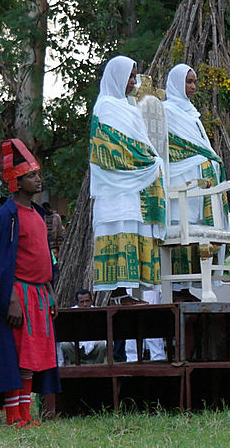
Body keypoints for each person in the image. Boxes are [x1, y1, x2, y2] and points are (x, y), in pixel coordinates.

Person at [0, 139, 60, 427]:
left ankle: (26, 413)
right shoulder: (5, 216)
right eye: (32, 175)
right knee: (17, 355)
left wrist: (50, 292)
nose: (38, 179)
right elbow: (1, 264)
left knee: (34, 357)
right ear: (17, 182)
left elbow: (43, 257)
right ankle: (13, 414)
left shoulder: (38, 213)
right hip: (18, 293)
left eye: (37, 174)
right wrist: (10, 298)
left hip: (39, 294)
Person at [90, 56, 166, 297]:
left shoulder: (129, 107)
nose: (133, 82)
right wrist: (147, 163)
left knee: (133, 230)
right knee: (119, 227)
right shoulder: (105, 107)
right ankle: (118, 294)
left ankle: (128, 293)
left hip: (134, 186)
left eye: (135, 76)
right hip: (115, 185)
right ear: (117, 77)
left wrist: (149, 162)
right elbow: (109, 148)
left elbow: (140, 143)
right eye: (130, 77)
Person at [163, 63, 226, 284]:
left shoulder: (192, 113)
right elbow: (172, 148)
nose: (193, 86)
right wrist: (202, 158)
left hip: (200, 179)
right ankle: (180, 286)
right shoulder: (167, 111)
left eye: (194, 82)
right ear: (177, 83)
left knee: (199, 231)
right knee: (182, 230)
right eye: (188, 82)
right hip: (182, 178)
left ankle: (200, 283)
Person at [58, 290, 107, 366]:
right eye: (82, 302)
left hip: (93, 347)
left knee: (102, 345)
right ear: (77, 303)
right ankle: (77, 364)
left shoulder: (98, 313)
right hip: (76, 348)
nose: (85, 304)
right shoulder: (70, 313)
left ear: (91, 301)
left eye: (87, 301)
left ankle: (98, 366)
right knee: (65, 345)